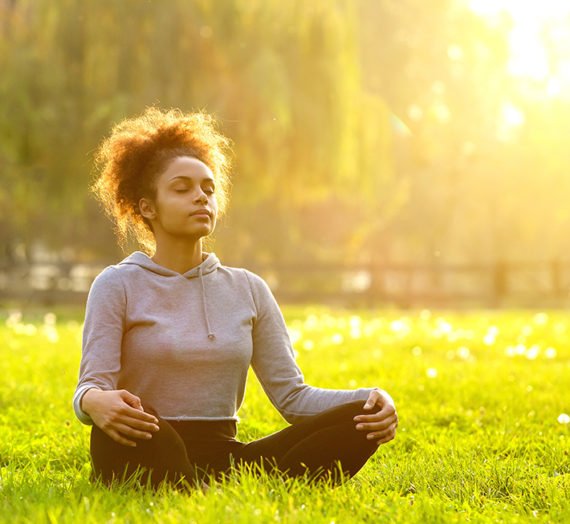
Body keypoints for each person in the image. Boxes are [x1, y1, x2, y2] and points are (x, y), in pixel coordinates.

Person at [73, 107, 398, 490]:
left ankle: (199, 486)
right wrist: (94, 402)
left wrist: (372, 399)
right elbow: (91, 385)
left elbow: (293, 397)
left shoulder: (248, 288)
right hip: (146, 441)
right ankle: (195, 486)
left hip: (225, 457)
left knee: (362, 419)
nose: (201, 198)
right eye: (182, 189)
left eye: (208, 189)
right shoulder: (117, 284)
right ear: (148, 206)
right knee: (143, 433)